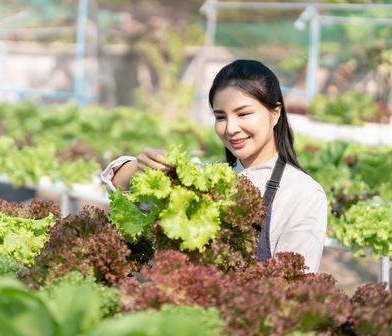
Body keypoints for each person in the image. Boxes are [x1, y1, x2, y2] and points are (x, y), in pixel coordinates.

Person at [100, 59, 327, 273]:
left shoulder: (303, 193)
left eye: (244, 114)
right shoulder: (206, 176)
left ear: (275, 113)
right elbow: (119, 188)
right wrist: (139, 166)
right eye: (221, 117)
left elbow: (294, 284)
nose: (230, 128)